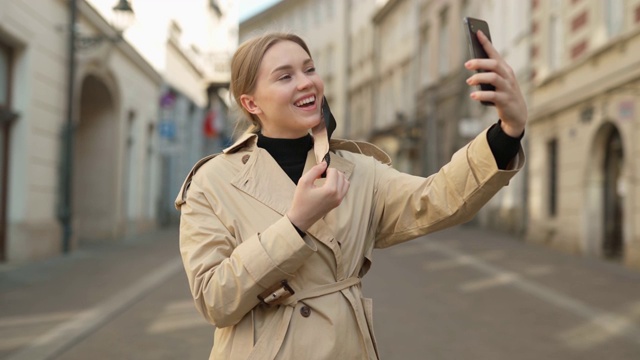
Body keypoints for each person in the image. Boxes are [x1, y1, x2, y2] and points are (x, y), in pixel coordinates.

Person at [175, 30, 526, 360]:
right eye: (285, 76)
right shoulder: (213, 182)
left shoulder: (358, 170)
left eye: (309, 69)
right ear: (251, 103)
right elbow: (213, 300)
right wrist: (296, 224)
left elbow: (437, 199)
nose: (306, 82)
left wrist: (508, 131)